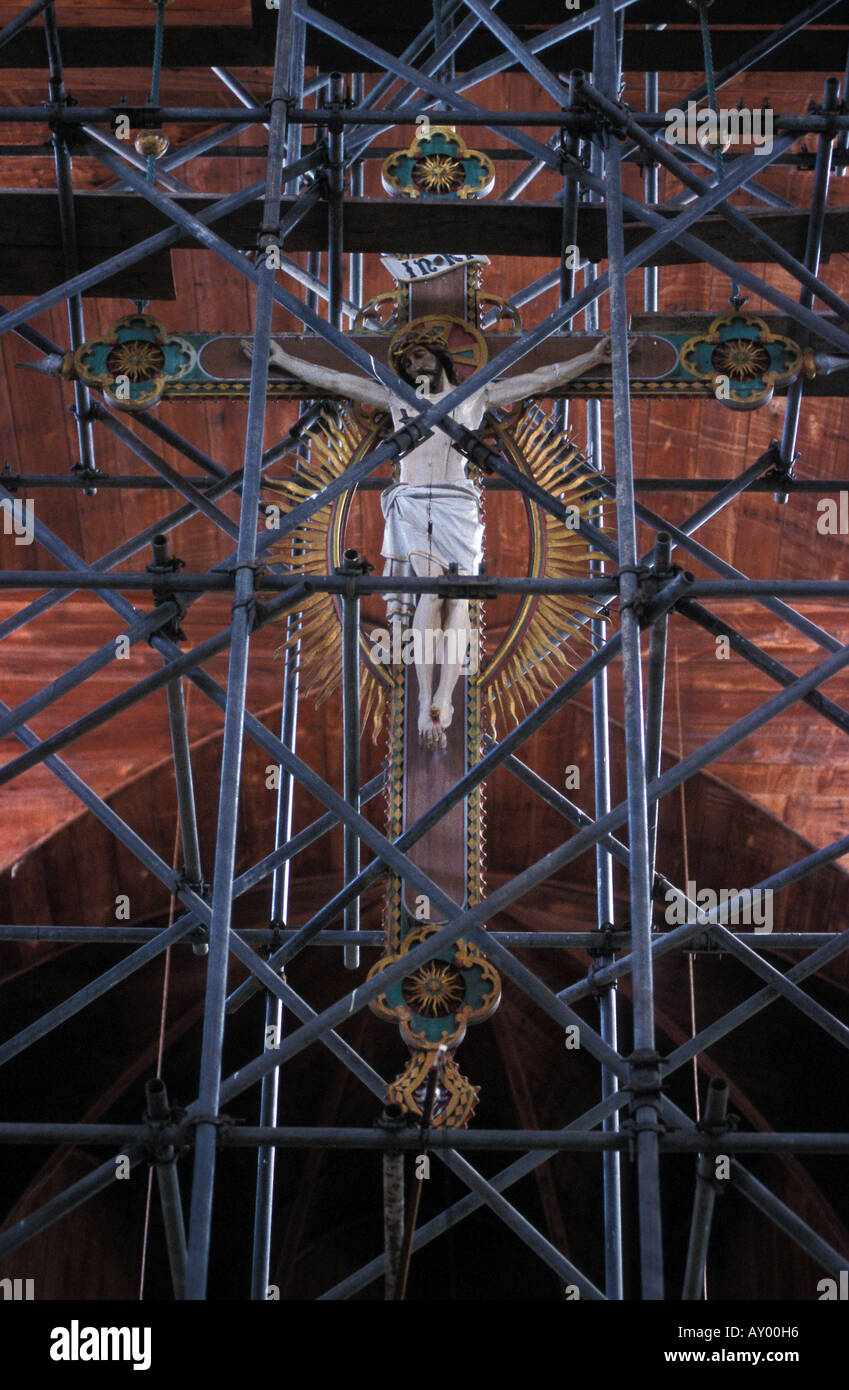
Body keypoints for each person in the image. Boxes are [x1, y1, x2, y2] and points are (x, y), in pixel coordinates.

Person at [243, 327, 614, 749]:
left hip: (458, 503)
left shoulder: (475, 394)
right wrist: (282, 359)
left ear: (442, 358)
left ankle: (443, 697)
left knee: (457, 597)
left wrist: (592, 358)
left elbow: (542, 378)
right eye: (408, 361)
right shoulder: (398, 399)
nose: (416, 365)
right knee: (431, 594)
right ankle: (425, 699)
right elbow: (337, 381)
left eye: (422, 356)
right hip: (413, 500)